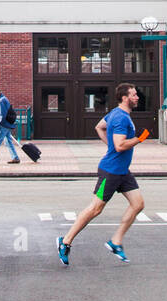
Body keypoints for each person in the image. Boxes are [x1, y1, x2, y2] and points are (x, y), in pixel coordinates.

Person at [57, 82, 149, 266]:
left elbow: (99, 127)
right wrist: (139, 139)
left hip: (122, 172)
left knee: (138, 204)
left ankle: (116, 241)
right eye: (134, 95)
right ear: (125, 98)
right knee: (95, 209)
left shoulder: (115, 113)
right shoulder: (121, 118)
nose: (137, 97)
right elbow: (120, 145)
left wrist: (110, 146)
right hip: (111, 173)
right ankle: (65, 241)